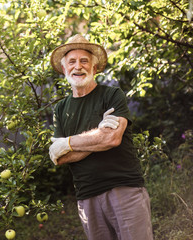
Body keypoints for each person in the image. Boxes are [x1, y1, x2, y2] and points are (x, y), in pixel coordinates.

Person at [49, 34, 153, 240]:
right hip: (87, 197)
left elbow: (112, 139)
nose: (78, 66)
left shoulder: (112, 95)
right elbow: (59, 158)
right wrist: (99, 135)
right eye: (72, 61)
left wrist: (68, 143)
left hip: (124, 189)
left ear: (94, 68)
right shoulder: (60, 109)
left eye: (84, 61)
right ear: (64, 69)